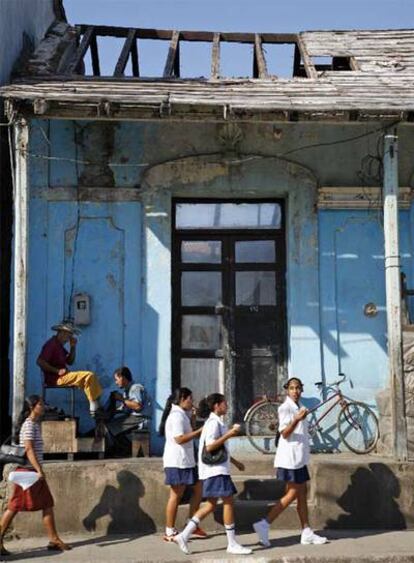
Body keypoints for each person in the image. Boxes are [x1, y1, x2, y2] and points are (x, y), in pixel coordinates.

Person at [173, 393, 252, 556]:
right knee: (228, 501)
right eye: (224, 403)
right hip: (216, 471)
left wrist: (235, 462)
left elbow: (219, 449)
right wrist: (230, 433)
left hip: (214, 470)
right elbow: (210, 447)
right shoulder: (213, 423)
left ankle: (184, 535)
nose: (227, 406)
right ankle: (232, 543)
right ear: (216, 405)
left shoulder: (215, 422)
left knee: (210, 505)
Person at [253, 377, 328, 547]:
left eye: (298, 388)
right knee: (293, 493)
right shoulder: (285, 408)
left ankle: (306, 531)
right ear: (287, 390)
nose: (295, 391)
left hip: (299, 458)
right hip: (290, 459)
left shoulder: (298, 407)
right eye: (292, 388)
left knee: (302, 493)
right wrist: (297, 419)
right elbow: (285, 433)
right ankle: (264, 523)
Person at [0, 395, 71, 556]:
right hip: (28, 473)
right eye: (40, 404)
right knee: (14, 506)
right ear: (32, 407)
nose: (43, 407)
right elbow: (29, 449)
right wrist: (39, 470)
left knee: (46, 503)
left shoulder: (33, 424)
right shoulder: (29, 426)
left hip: (32, 472)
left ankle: (54, 539)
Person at [159, 387, 206, 543]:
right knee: (176, 495)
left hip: (187, 461)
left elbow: (187, 432)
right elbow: (179, 439)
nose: (192, 402)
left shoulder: (182, 415)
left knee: (199, 488)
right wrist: (200, 431)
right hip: (177, 462)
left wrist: (193, 419)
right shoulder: (176, 416)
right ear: (182, 399)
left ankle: (191, 525)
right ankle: (169, 530)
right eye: (190, 399)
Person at [37, 321, 102, 417]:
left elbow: (70, 361)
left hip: (64, 376)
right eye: (69, 334)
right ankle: (94, 406)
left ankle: (95, 404)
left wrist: (73, 347)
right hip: (56, 379)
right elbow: (40, 361)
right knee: (89, 376)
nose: (70, 337)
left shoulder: (59, 346)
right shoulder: (51, 344)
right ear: (61, 332)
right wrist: (57, 371)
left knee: (90, 378)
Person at [104, 366, 149, 445]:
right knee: (112, 424)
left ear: (122, 378)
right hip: (133, 417)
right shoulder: (127, 391)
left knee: (109, 427)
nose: (116, 382)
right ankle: (125, 448)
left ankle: (120, 450)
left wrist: (121, 399)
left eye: (116, 379)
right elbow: (127, 408)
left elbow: (137, 406)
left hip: (140, 418)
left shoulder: (135, 388)